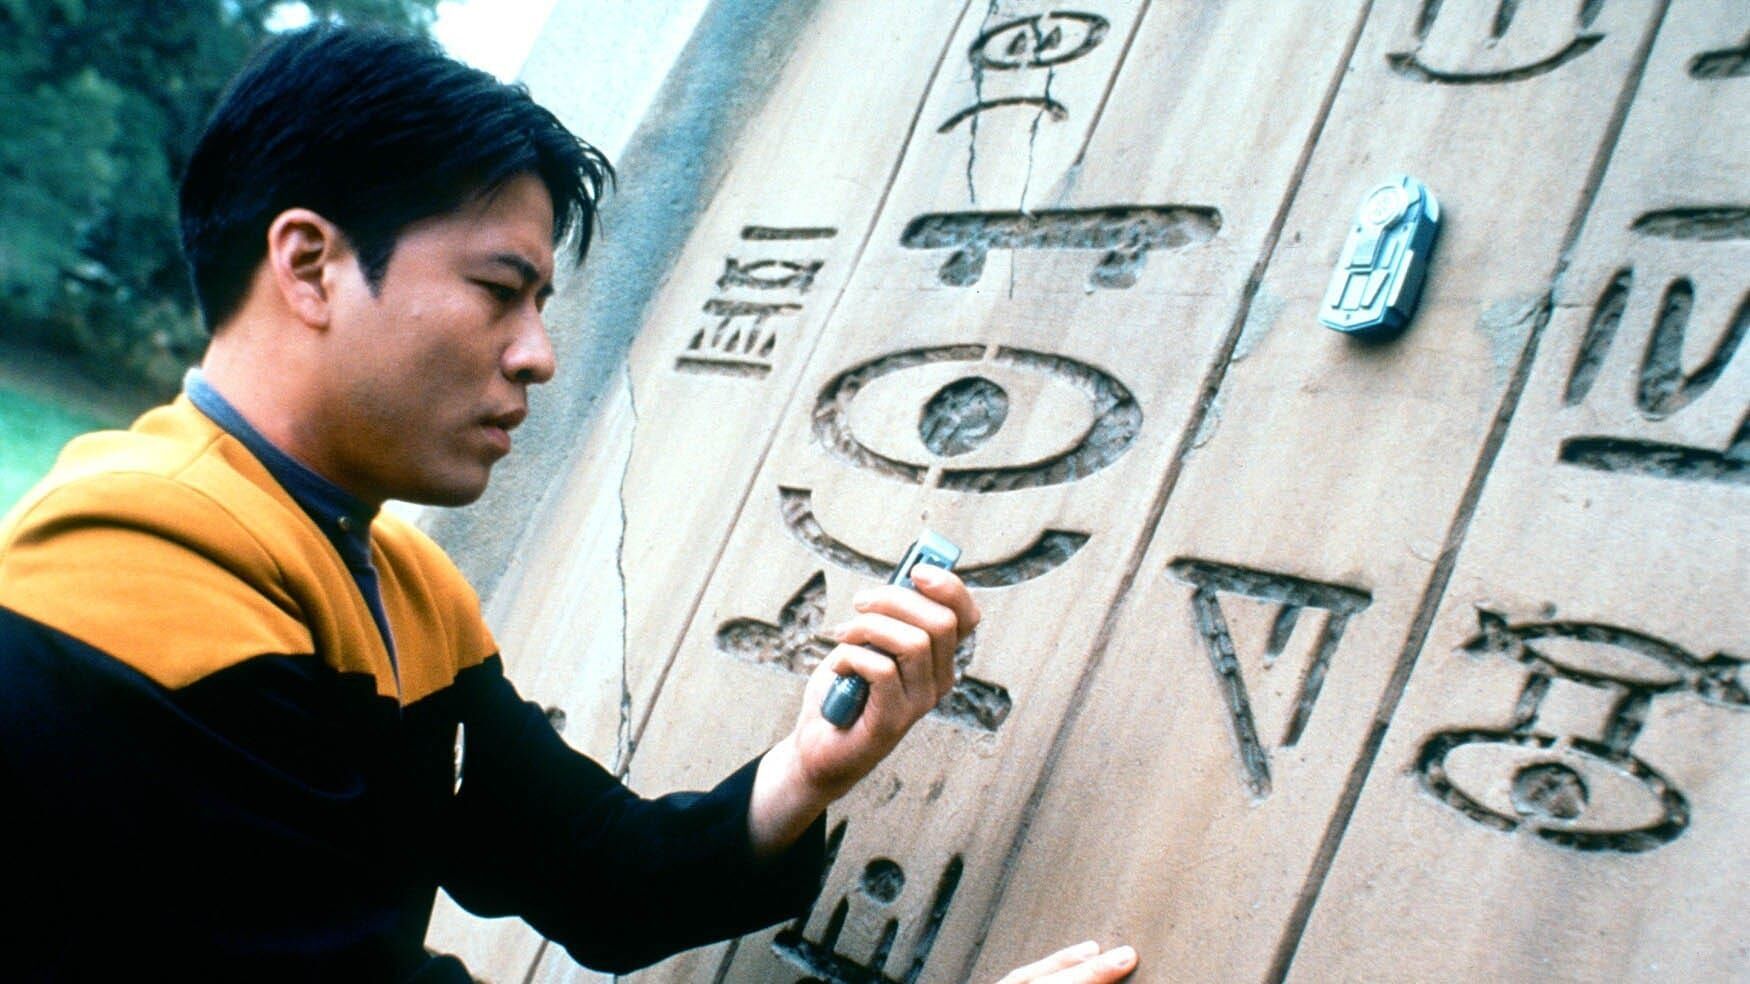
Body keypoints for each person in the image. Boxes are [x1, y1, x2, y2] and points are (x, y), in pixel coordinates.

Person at [0, 23, 1135, 983]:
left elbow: (598, 871)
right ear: (309, 265)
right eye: (500, 290)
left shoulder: (405, 588)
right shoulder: (123, 576)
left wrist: (811, 765)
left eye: (540, 301)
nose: (538, 354)